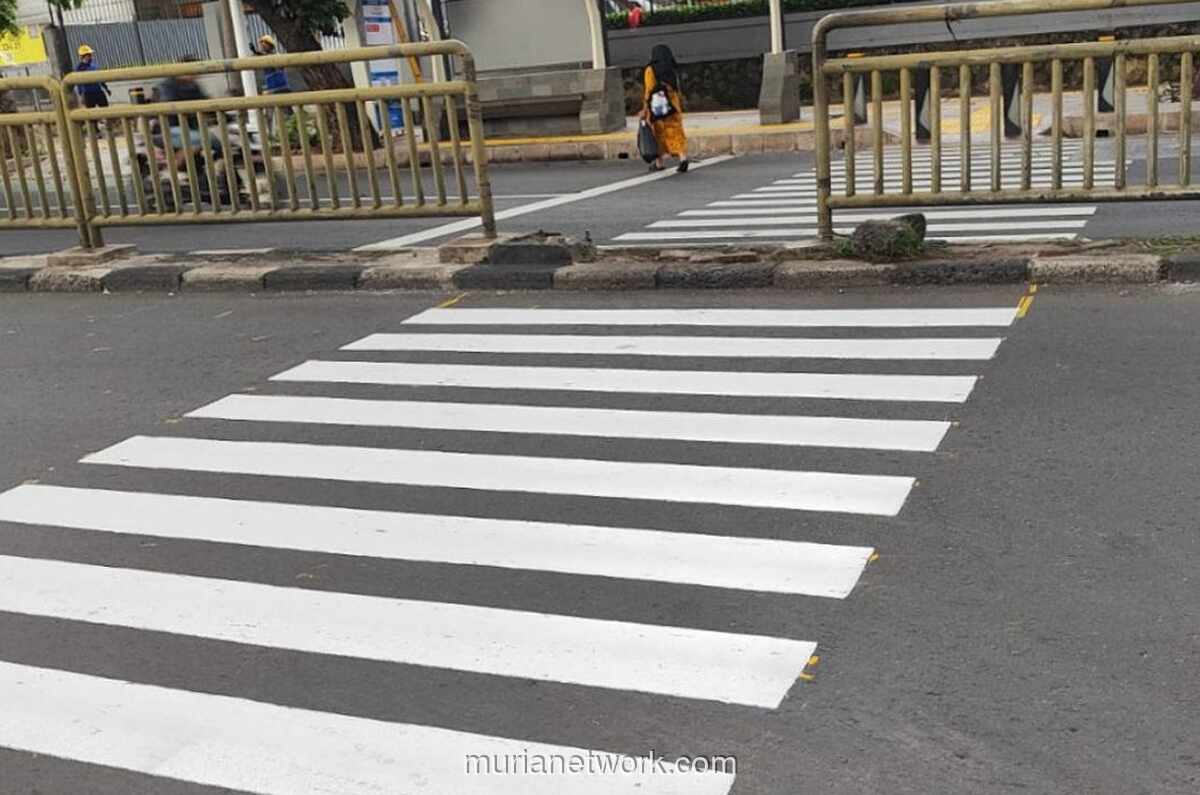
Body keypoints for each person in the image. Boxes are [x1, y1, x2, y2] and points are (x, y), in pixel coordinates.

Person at [642, 44, 688, 173]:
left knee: (659, 133)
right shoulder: (672, 68)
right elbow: (677, 88)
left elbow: (649, 90)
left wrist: (645, 108)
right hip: (672, 105)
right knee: (676, 131)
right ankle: (682, 158)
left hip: (657, 107)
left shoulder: (650, 70)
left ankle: (659, 162)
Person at [74, 45, 111, 110]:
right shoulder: (79, 68)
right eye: (88, 55)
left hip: (98, 91)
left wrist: (106, 88)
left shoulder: (94, 65)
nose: (90, 56)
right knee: (91, 113)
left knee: (106, 110)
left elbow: (100, 78)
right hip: (88, 93)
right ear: (83, 56)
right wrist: (81, 95)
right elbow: (79, 83)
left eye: (90, 54)